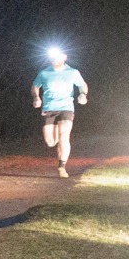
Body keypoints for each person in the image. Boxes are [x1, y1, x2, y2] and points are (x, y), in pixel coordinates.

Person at [31, 46, 90, 178]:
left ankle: (62, 167)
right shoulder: (44, 73)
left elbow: (82, 85)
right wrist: (36, 97)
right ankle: (58, 133)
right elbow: (35, 86)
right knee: (50, 142)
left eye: (57, 56)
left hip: (66, 107)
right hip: (49, 108)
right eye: (52, 57)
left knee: (64, 136)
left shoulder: (73, 72)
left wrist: (83, 94)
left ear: (64, 57)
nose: (54, 59)